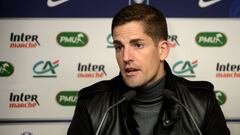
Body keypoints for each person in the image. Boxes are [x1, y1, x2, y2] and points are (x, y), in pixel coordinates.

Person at [67, 4, 230, 135]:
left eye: (137, 45)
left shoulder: (202, 103)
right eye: (118, 47)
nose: (125, 57)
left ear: (163, 50)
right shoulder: (91, 105)